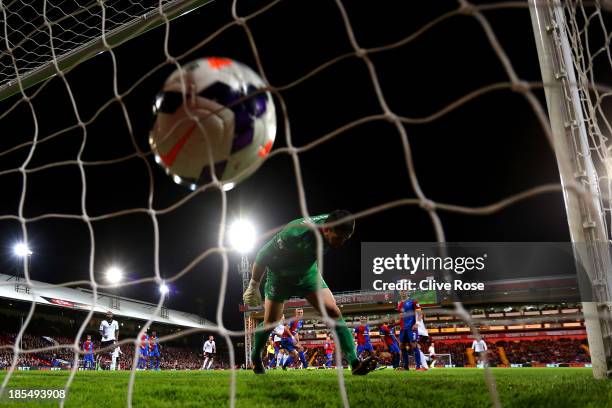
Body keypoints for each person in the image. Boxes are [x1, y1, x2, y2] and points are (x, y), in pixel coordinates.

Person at [243, 210, 377, 375]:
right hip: (280, 278)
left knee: (333, 311)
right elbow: (263, 254)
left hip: (307, 274)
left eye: (345, 239)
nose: (341, 243)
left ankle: (354, 363)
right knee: (272, 322)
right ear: (327, 229)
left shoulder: (333, 228)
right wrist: (254, 284)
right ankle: (256, 356)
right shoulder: (295, 233)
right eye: (338, 238)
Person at [397, 292, 423, 370]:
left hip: (411, 327)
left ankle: (418, 366)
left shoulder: (413, 301)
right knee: (401, 346)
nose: (403, 291)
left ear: (408, 291)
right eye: (401, 290)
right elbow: (401, 316)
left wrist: (417, 323)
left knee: (414, 345)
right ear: (399, 292)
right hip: (402, 328)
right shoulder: (399, 303)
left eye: (404, 290)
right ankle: (405, 367)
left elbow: (420, 314)